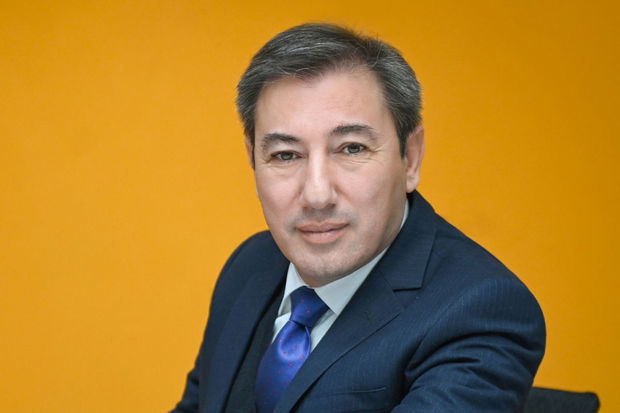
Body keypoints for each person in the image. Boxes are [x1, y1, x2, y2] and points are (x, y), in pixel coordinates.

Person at [171, 23, 545, 413]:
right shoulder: (249, 266)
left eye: (351, 148)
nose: (317, 195)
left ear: (411, 158)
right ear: (253, 159)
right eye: (285, 155)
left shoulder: (481, 311)